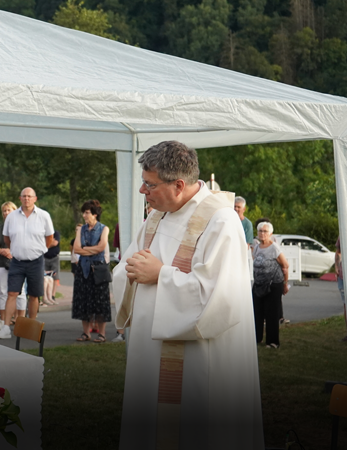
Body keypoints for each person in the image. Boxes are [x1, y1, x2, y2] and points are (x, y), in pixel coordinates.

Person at [112, 140, 262, 449]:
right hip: (149, 354)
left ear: (179, 185)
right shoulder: (157, 216)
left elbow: (220, 299)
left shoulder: (221, 222)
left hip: (199, 364)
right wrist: (132, 272)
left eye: (149, 184)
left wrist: (160, 275)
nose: (143, 191)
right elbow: (128, 266)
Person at [1, 187, 55, 333]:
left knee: (34, 294)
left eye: (29, 196)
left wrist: (41, 249)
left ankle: (30, 327)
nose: (27, 199)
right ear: (20, 198)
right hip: (17, 261)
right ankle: (6, 327)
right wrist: (16, 249)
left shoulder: (44, 216)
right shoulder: (12, 217)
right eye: (24, 196)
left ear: (35, 198)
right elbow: (7, 238)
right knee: (12, 293)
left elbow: (49, 237)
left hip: (36, 260)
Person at [72, 200, 111, 343]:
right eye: (84, 212)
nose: (84, 215)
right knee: (84, 300)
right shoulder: (80, 229)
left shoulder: (104, 229)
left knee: (100, 301)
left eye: (87, 212)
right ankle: (86, 333)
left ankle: (101, 334)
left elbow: (101, 247)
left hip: (98, 269)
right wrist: (90, 250)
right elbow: (76, 249)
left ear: (95, 214)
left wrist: (85, 250)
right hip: (83, 269)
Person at [0, 201, 27, 335]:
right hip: (1, 263)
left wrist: (12, 251)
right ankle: (3, 320)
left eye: (9, 210)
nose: (6, 213)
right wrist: (3, 251)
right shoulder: (0, 228)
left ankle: (20, 320)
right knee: (2, 292)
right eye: (4, 211)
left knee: (20, 292)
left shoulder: (21, 225)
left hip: (18, 261)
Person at [252, 222, 289, 348]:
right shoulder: (256, 247)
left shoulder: (274, 248)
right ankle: (257, 339)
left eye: (265, 231)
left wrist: (285, 284)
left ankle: (272, 342)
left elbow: (285, 266)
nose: (262, 233)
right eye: (260, 231)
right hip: (258, 284)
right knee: (257, 312)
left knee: (271, 314)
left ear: (271, 234)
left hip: (273, 285)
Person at [42, 229, 61, 306]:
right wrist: (50, 242)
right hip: (45, 257)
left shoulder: (56, 233)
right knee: (45, 278)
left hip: (54, 258)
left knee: (55, 277)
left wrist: (45, 244)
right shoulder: (43, 233)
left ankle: (52, 296)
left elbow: (55, 243)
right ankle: (45, 297)